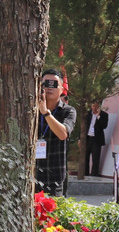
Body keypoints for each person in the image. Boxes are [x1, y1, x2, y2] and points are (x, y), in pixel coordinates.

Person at [36, 67, 76, 195]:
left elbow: (63, 134)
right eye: (45, 84)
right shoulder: (30, 109)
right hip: (30, 175)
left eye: (54, 84)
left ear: (62, 90)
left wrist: (46, 113)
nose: (49, 88)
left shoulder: (68, 111)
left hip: (54, 176)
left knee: (52, 214)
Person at [84, 100, 109, 177]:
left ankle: (94, 175)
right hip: (87, 138)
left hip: (96, 139)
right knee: (85, 158)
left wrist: (98, 116)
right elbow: (83, 127)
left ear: (99, 107)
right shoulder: (87, 114)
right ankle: (85, 174)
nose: (94, 108)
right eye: (93, 106)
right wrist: (79, 139)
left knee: (95, 158)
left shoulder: (104, 115)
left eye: (96, 106)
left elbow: (104, 126)